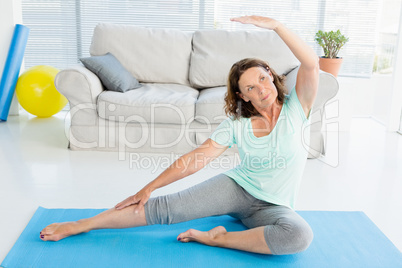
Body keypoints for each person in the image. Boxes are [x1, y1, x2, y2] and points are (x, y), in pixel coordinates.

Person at [39, 15, 319, 255]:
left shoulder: (298, 107)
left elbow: (311, 64)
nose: (260, 90)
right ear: (242, 96)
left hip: (273, 208)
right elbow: (195, 159)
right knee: (166, 209)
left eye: (261, 79)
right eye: (249, 88)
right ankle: (82, 224)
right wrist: (148, 188)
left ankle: (217, 238)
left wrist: (277, 26)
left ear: (270, 74)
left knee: (298, 236)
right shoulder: (237, 125)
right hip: (236, 191)